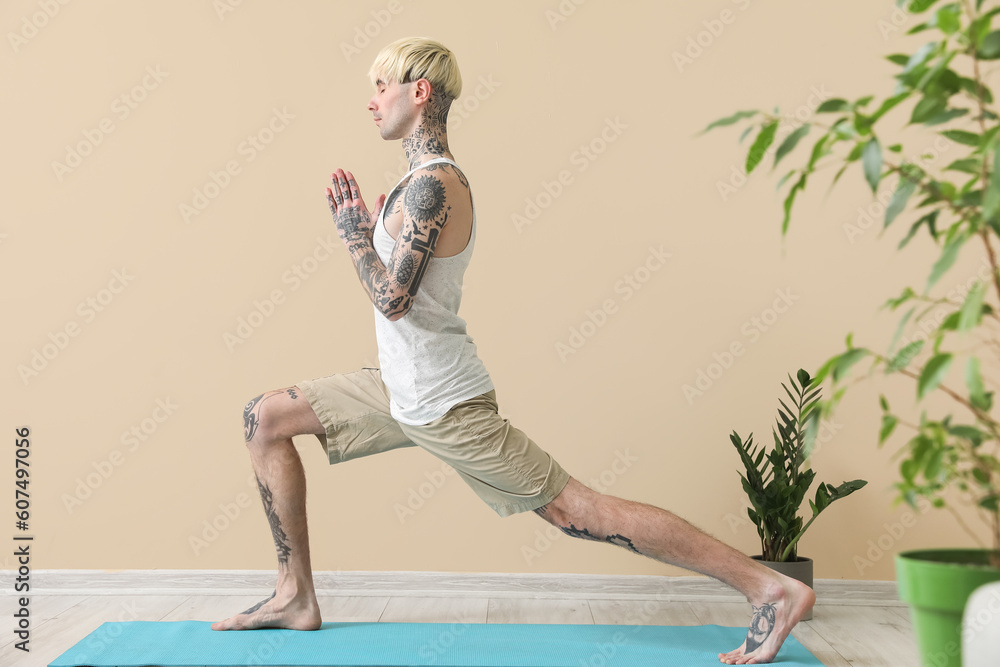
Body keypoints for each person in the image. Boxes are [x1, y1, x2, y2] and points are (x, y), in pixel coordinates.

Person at [210, 36, 815, 665]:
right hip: (398, 386)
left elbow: (393, 299)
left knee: (578, 511)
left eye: (381, 87)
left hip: (445, 403)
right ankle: (294, 596)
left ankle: (768, 587)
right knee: (266, 418)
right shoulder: (412, 183)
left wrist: (353, 237)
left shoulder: (433, 186)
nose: (371, 102)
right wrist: (366, 233)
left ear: (419, 93)